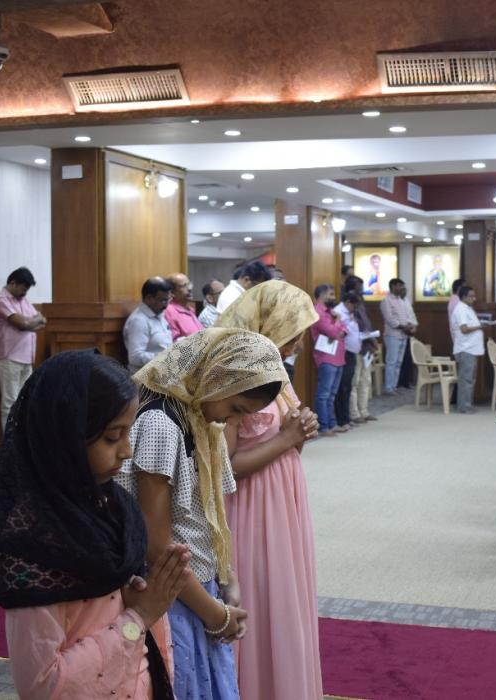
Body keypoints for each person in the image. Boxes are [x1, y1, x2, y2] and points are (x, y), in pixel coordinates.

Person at [0, 350, 189, 700]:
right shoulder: (33, 543)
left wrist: (134, 600)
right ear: (65, 437)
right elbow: (43, 686)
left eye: (128, 433)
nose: (127, 451)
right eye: (112, 437)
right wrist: (138, 617)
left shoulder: (114, 508)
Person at [118, 329, 288, 700]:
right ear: (216, 378)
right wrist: (215, 613)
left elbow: (209, 515)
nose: (232, 420)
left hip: (196, 585)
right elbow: (156, 544)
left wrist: (227, 576)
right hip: (170, 593)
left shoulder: (198, 419)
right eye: (236, 409)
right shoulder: (162, 424)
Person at [215, 282, 324, 700]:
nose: (299, 343)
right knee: (262, 595)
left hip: (282, 499)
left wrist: (300, 432)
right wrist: (286, 439)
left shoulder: (277, 370)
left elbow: (288, 439)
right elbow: (223, 468)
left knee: (285, 595)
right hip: (251, 506)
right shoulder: (235, 377)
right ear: (270, 326)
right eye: (293, 333)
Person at [0, 267, 46, 432]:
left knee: (24, 402)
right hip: (9, 357)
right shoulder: (1, 300)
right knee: (10, 403)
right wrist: (29, 322)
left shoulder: (22, 300)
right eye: (23, 288)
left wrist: (30, 323)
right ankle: (9, 442)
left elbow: (42, 320)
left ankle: (20, 441)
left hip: (26, 357)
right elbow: (22, 324)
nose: (25, 293)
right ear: (13, 283)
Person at [311, 284, 348, 437]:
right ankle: (323, 427)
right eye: (331, 294)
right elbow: (333, 332)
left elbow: (345, 330)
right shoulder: (317, 312)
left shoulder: (331, 312)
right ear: (321, 295)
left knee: (332, 395)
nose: (334, 297)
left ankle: (332, 424)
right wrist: (338, 322)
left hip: (338, 356)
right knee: (323, 395)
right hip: (326, 358)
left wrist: (339, 328)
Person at [343, 275, 377, 424]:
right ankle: (354, 413)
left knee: (366, 380)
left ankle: (364, 411)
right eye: (359, 286)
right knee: (355, 382)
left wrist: (372, 341)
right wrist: (371, 338)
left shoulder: (361, 303)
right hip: (356, 347)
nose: (362, 289)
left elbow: (366, 325)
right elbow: (355, 329)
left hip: (366, 347)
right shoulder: (348, 307)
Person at [124, 277, 174, 374]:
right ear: (149, 298)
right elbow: (135, 358)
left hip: (163, 373)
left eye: (169, 299)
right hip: (146, 378)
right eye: (163, 300)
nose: (166, 305)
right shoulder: (139, 321)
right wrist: (166, 357)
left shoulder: (159, 315)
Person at [450, 285, 484, 413]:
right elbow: (464, 329)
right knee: (466, 379)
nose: (474, 298)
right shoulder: (460, 309)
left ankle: (468, 404)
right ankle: (464, 406)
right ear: (464, 297)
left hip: (471, 348)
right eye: (471, 296)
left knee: (470, 379)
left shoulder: (467, 308)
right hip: (465, 349)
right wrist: (480, 326)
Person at [380, 278, 416, 393]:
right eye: (400, 286)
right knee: (391, 362)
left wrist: (409, 325)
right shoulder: (386, 301)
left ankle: (394, 386)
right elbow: (390, 319)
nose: (402, 288)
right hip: (392, 335)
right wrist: (403, 327)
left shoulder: (401, 301)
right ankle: (388, 387)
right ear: (393, 286)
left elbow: (407, 317)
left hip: (403, 335)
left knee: (399, 362)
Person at [334, 291, 363, 430]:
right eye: (354, 305)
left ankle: (346, 417)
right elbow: (338, 331)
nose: (355, 308)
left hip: (352, 353)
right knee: (342, 387)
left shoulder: (350, 313)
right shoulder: (338, 312)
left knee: (348, 386)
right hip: (343, 353)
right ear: (348, 302)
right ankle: (341, 420)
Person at [164, 273, 203, 341]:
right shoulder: (169, 311)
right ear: (172, 292)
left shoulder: (190, 309)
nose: (189, 289)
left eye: (189, 284)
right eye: (184, 286)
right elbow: (173, 341)